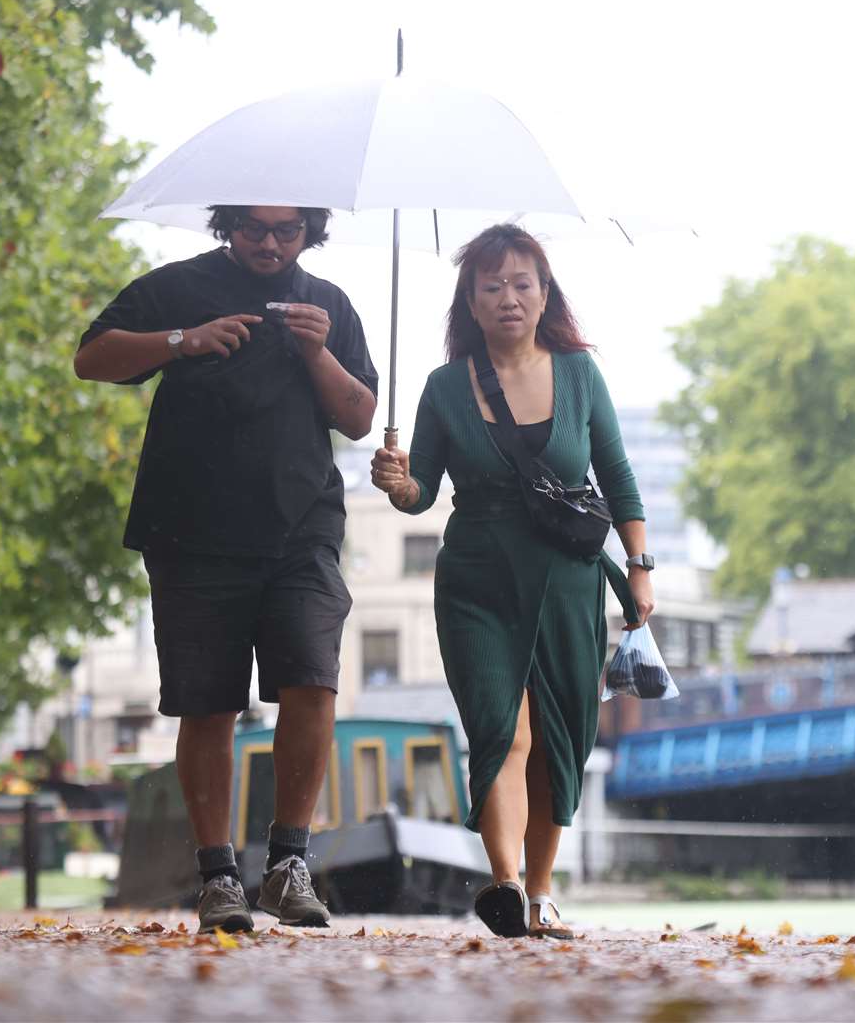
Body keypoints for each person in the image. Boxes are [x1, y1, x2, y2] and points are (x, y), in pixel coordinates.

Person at [74, 205, 378, 933]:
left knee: (313, 679)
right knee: (206, 702)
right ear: (227, 225)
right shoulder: (178, 286)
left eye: (287, 231)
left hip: (302, 528)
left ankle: (287, 865)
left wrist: (317, 351)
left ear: (311, 231)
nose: (270, 244)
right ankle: (218, 878)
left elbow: (361, 416)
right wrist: (184, 341)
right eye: (253, 228)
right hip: (191, 530)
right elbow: (92, 356)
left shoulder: (327, 305)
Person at [369, 224, 654, 939]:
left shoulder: (580, 374)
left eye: (521, 283)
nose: (508, 298)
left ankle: (540, 892)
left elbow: (617, 477)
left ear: (545, 290)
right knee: (504, 730)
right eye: (490, 286)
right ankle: (503, 886)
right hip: (477, 580)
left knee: (559, 736)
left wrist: (640, 567)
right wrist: (397, 483)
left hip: (568, 579)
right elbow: (422, 494)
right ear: (468, 300)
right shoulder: (442, 387)